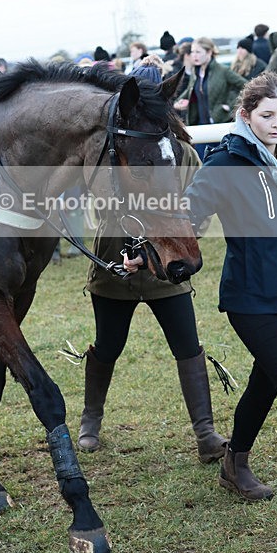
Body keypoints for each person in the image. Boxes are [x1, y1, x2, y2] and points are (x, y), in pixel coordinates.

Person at [127, 73, 277, 534]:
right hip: (249, 300)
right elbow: (189, 214)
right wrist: (145, 252)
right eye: (267, 115)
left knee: (265, 384)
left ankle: (234, 464)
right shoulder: (225, 163)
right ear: (246, 116)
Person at [78, 118, 227, 464]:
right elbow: (97, 203)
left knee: (187, 345)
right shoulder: (111, 153)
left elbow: (200, 211)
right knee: (108, 345)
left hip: (169, 267)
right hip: (114, 261)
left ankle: (206, 434)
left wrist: (170, 248)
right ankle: (91, 419)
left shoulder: (185, 154)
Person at [172, 37, 246, 159]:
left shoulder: (223, 70)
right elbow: (190, 89)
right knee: (203, 164)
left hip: (220, 126)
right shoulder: (196, 72)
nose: (194, 55)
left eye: (198, 52)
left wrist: (229, 105)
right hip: (201, 126)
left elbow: (246, 86)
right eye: (192, 52)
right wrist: (178, 101)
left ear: (209, 52)